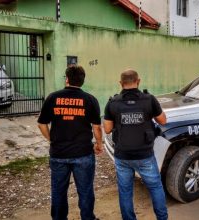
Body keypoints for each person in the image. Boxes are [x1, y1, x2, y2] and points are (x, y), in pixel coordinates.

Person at [37, 65, 103, 220]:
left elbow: (41, 124)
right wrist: (99, 144)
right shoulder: (90, 99)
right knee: (85, 190)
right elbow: (96, 127)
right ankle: (88, 218)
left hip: (59, 153)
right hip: (83, 153)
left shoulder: (53, 97)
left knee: (58, 191)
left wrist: (51, 139)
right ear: (82, 80)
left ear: (67, 79)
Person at [103, 69, 168, 220]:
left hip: (122, 156)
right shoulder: (149, 99)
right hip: (144, 155)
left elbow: (107, 129)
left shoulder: (112, 103)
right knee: (155, 187)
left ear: (120, 83)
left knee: (125, 191)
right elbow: (163, 121)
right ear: (138, 81)